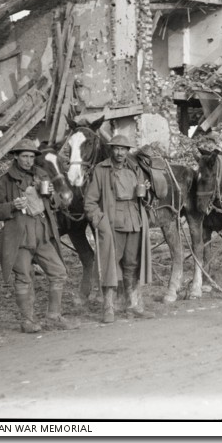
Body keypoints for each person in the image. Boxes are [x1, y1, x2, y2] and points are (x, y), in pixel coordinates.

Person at [0, 139, 80, 333]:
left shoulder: (41, 175)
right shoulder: (4, 181)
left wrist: (47, 194)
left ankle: (53, 316)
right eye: (24, 156)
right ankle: (27, 321)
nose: (29, 160)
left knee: (59, 272)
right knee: (23, 278)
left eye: (31, 157)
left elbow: (57, 203)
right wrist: (12, 206)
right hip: (20, 237)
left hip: (42, 233)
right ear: (16, 156)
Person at [83, 134, 154, 323]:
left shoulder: (135, 168)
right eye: (116, 148)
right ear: (111, 150)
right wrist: (100, 221)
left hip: (134, 220)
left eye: (123, 149)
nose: (120, 152)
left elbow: (144, 200)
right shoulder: (101, 169)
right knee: (110, 265)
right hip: (113, 221)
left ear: (127, 151)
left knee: (132, 264)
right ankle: (108, 307)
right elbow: (90, 202)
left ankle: (133, 305)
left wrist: (144, 192)